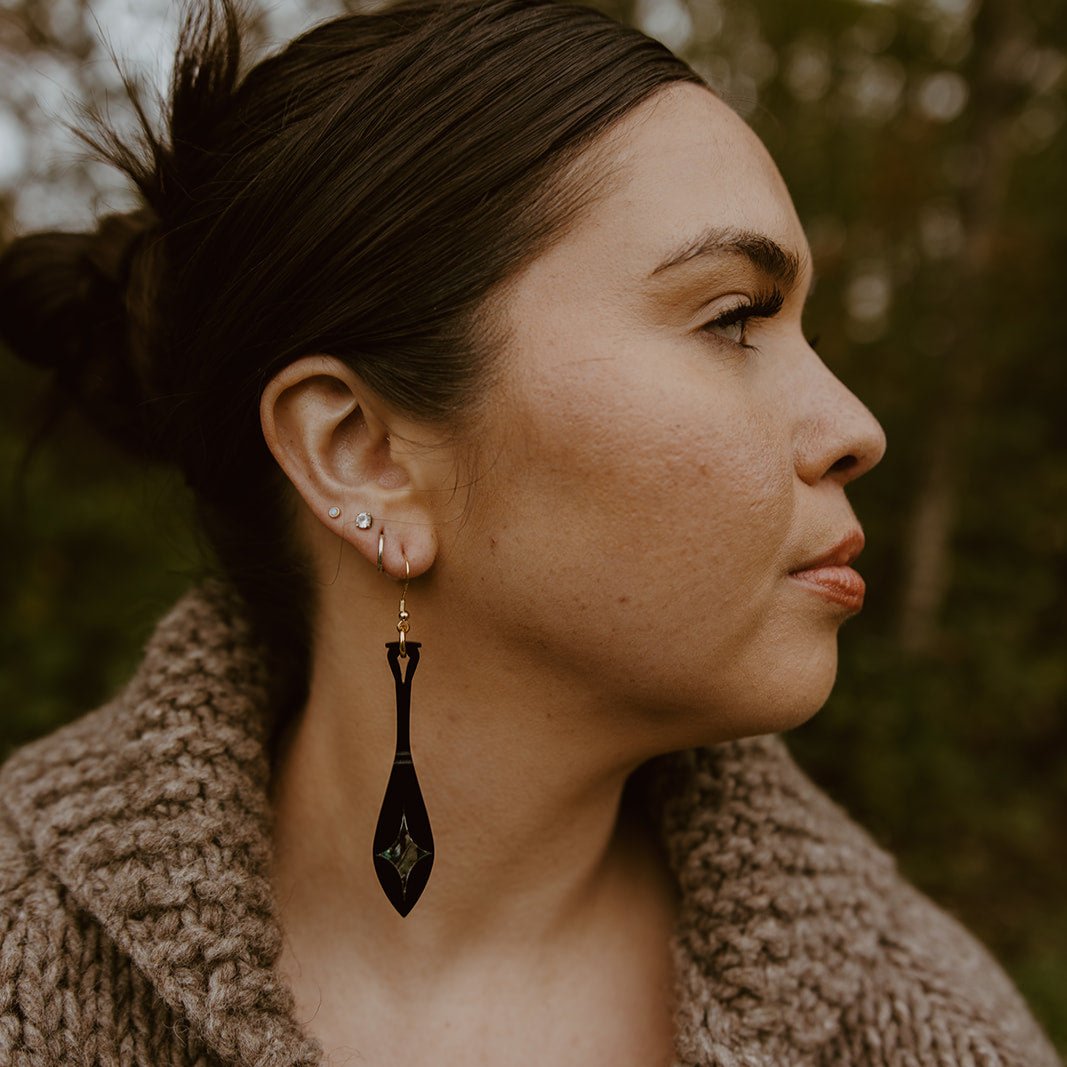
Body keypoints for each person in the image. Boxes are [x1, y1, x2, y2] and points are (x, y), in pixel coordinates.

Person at [0, 0, 1059, 1064]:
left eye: (803, 331)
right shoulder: (24, 965)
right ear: (362, 452)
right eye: (733, 318)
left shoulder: (934, 1030)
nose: (854, 427)